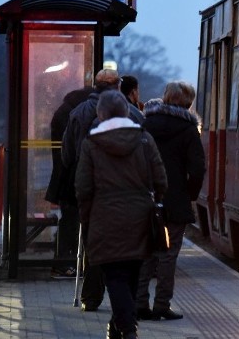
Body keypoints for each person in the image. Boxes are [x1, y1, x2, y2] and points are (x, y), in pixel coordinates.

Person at [75, 90, 167, 339]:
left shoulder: (91, 145)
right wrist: (153, 204)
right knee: (132, 274)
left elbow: (83, 188)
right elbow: (161, 180)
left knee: (114, 276)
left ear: (100, 114)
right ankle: (120, 326)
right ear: (127, 112)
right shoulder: (145, 140)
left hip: (104, 218)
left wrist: (87, 219)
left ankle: (127, 330)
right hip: (140, 218)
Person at [62, 68, 142, 312]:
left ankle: (91, 297)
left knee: (93, 243)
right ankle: (125, 301)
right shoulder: (136, 115)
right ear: (118, 86)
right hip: (129, 193)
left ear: (95, 85)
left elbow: (67, 156)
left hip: (93, 191)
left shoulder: (77, 113)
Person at [135, 81, 206, 321]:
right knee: (168, 254)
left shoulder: (145, 124)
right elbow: (197, 169)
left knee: (145, 251)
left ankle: (139, 303)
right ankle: (162, 305)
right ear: (187, 103)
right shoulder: (187, 129)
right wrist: (189, 194)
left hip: (145, 197)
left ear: (165, 98)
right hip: (175, 200)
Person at [45, 85, 94, 278]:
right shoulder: (72, 115)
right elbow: (71, 151)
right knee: (71, 221)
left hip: (65, 177)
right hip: (69, 178)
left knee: (70, 220)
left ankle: (65, 261)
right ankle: (64, 262)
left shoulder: (66, 111)